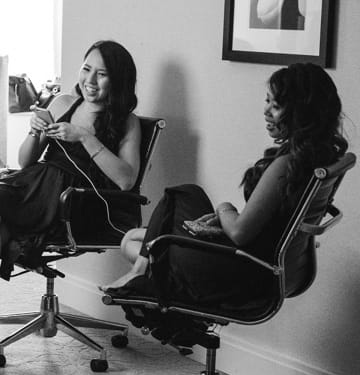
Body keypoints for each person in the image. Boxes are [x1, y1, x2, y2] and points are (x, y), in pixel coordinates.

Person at [102, 62, 347, 312]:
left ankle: (141, 275)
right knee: (132, 238)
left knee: (181, 194)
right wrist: (223, 221)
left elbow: (240, 232)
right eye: (267, 101)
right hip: (271, 266)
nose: (265, 111)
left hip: (243, 271)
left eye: (275, 106)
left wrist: (224, 209)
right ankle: (141, 271)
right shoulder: (320, 156)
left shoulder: (286, 165)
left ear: (300, 113)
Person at [0, 40, 142, 311]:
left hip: (72, 201)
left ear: (118, 80)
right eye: (86, 69)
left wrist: (83, 136)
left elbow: (126, 180)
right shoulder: (62, 103)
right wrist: (35, 131)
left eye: (102, 74)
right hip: (35, 182)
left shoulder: (126, 122)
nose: (90, 80)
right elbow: (25, 161)